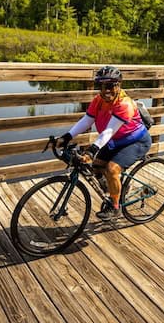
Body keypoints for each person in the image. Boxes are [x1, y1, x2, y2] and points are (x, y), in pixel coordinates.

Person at [56, 65, 152, 220]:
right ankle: (117, 189)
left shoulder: (124, 103)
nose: (105, 90)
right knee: (96, 167)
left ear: (118, 85)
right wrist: (67, 136)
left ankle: (115, 207)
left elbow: (109, 131)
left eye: (110, 86)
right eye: (101, 86)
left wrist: (92, 150)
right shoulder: (99, 100)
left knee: (112, 169)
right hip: (114, 141)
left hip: (136, 141)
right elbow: (87, 120)